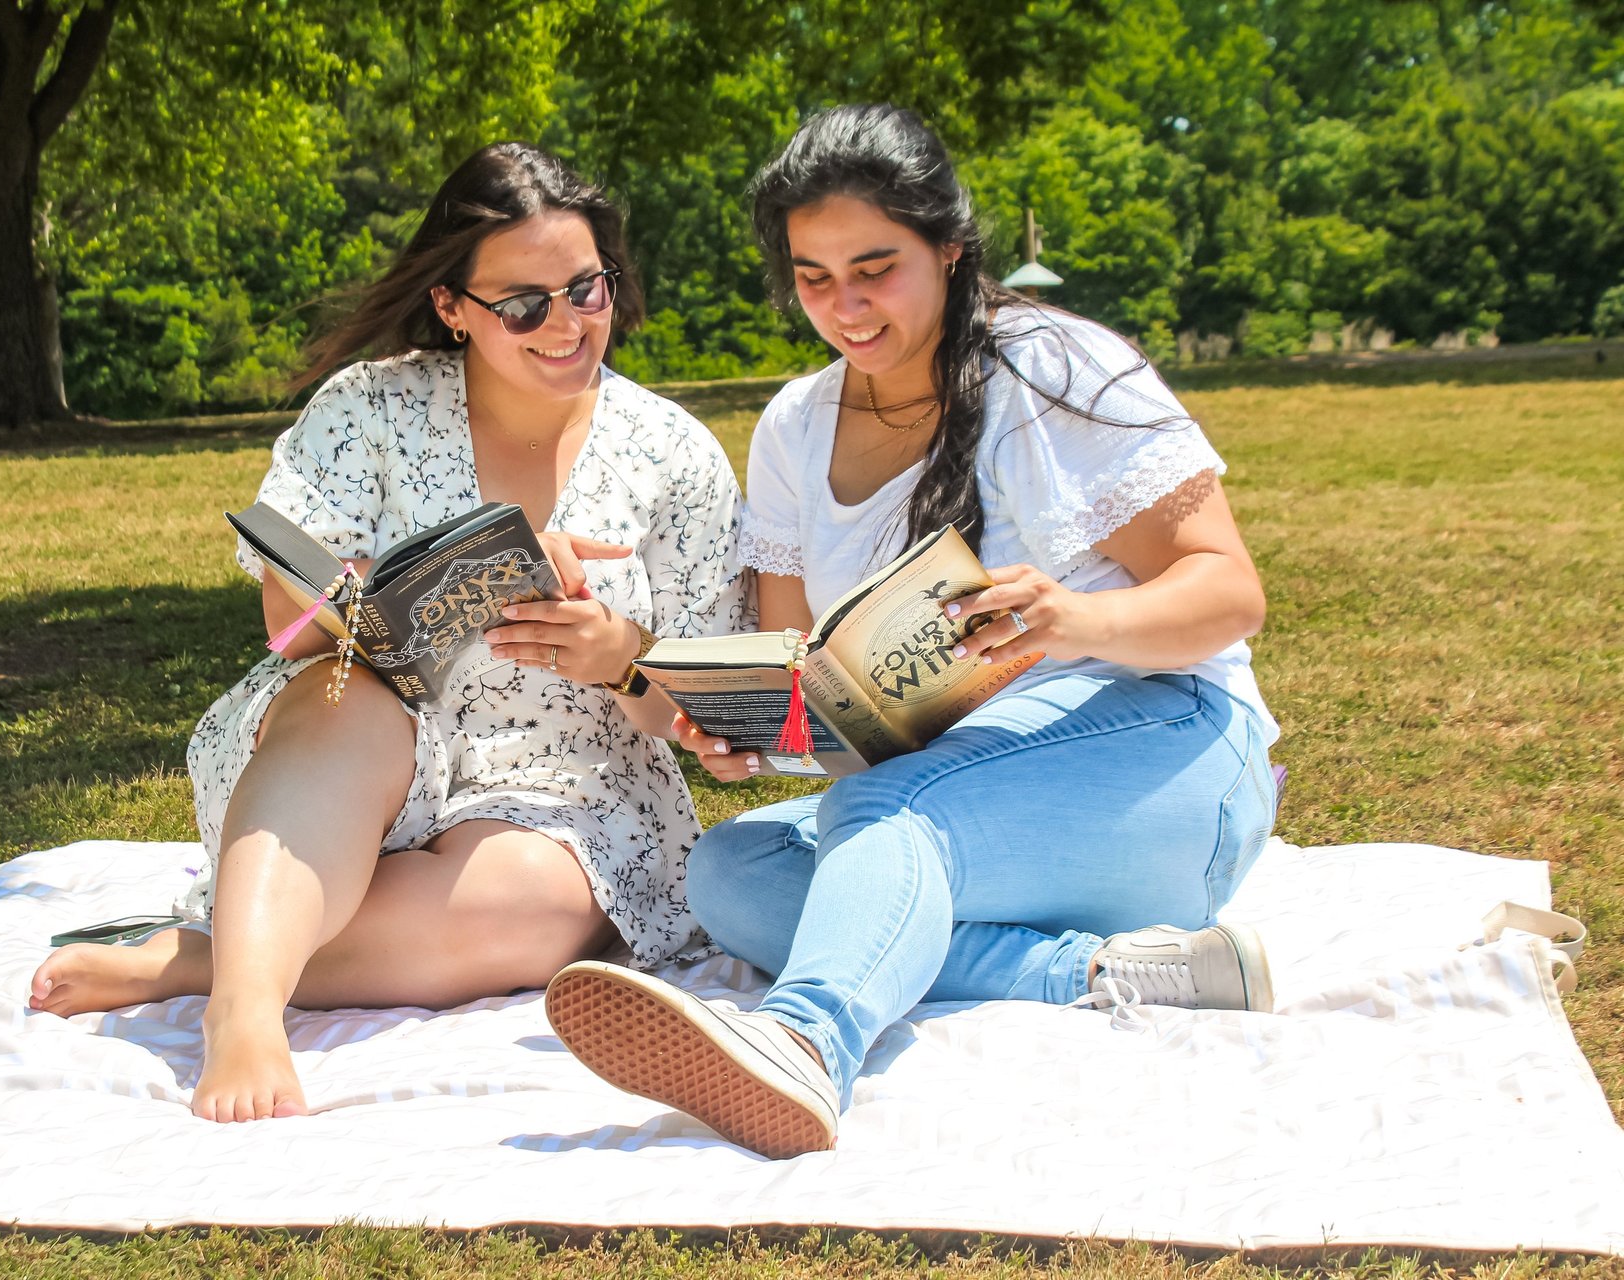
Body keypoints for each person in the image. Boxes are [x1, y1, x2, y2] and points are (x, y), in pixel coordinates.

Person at [545, 104, 1281, 1159]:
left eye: (875, 268)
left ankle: (802, 1042)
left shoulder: (1054, 368)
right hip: (958, 790)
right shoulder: (797, 427)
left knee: (888, 811)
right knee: (731, 871)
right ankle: (1104, 971)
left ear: (949, 246)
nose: (844, 306)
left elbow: (1228, 591)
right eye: (812, 277)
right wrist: (747, 723)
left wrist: (1072, 616)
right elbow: (803, 680)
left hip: (1175, 758)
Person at [29, 142, 749, 1123]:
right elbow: (289, 618)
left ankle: (209, 954)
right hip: (361, 734)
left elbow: (708, 706)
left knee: (539, 905)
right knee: (347, 700)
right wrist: (425, 594)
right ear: (453, 305)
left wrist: (623, 656)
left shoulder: (677, 454)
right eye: (524, 303)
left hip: (564, 791)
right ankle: (243, 1014)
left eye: (587, 288)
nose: (567, 323)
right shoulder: (369, 409)